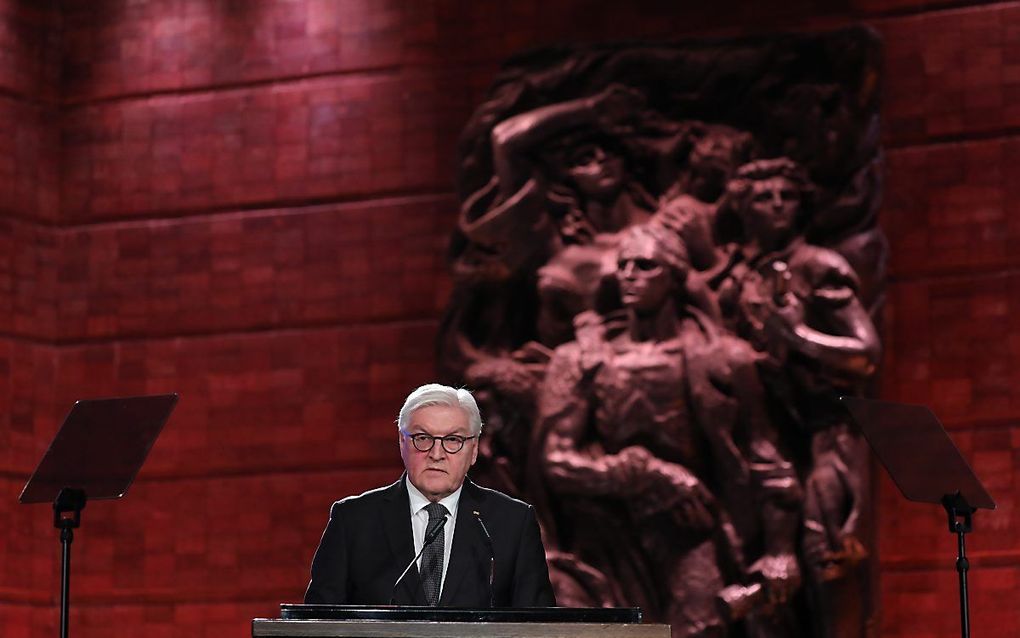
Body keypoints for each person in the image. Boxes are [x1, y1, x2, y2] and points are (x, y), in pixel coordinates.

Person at [537, 223, 801, 636]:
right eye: (623, 266)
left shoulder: (726, 361)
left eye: (645, 266)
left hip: (691, 533)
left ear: (675, 276)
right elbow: (555, 460)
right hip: (609, 535)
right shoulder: (581, 361)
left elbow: (765, 456)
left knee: (699, 627)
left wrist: (781, 550)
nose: (629, 275)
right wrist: (643, 474)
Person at [304, 383, 556, 607]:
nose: (437, 453)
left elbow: (539, 628)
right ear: (402, 443)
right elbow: (317, 625)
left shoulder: (512, 522)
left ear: (475, 449)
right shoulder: (353, 520)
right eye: (423, 438)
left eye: (453, 439)